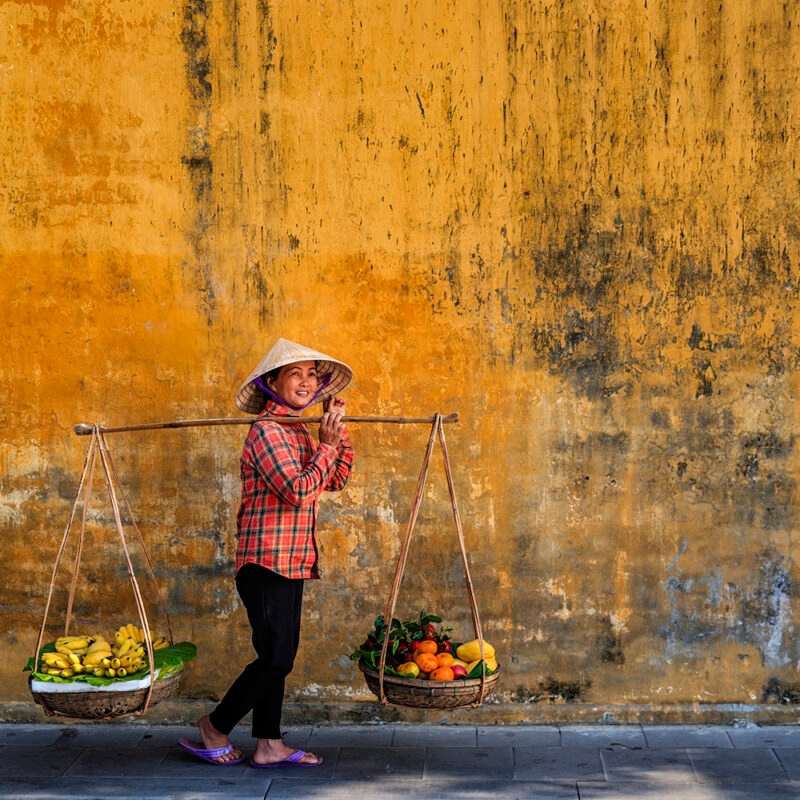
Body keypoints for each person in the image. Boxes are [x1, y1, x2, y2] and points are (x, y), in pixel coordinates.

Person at [179, 338, 354, 768]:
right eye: (295, 373)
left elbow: (335, 480)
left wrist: (337, 433)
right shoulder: (266, 432)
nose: (307, 380)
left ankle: (269, 744)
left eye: (312, 373)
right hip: (264, 561)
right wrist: (326, 447)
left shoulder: (298, 430)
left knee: (277, 656)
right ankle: (214, 726)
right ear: (272, 383)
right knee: (277, 657)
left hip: (292, 560)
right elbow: (298, 491)